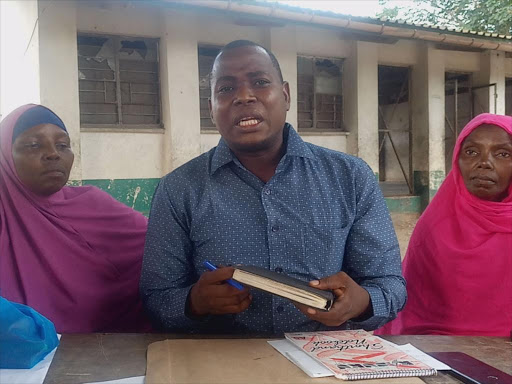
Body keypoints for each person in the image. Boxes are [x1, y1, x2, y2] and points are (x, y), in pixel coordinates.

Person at [140, 40, 406, 335]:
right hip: (221, 362)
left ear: (286, 95)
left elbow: (390, 285)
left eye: (260, 82)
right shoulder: (178, 189)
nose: (244, 96)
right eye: (226, 89)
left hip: (325, 364)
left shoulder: (351, 177)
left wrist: (363, 302)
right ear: (211, 109)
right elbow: (156, 299)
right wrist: (195, 302)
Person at [0, 104, 151, 333]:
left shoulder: (95, 207)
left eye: (63, 145)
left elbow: (166, 246)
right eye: (33, 145)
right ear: (5, 155)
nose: (53, 153)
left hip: (102, 356)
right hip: (19, 365)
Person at [375, 113, 512, 337]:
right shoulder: (435, 226)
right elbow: (411, 311)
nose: (484, 163)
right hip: (433, 350)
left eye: (503, 154)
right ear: (457, 158)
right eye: (471, 152)